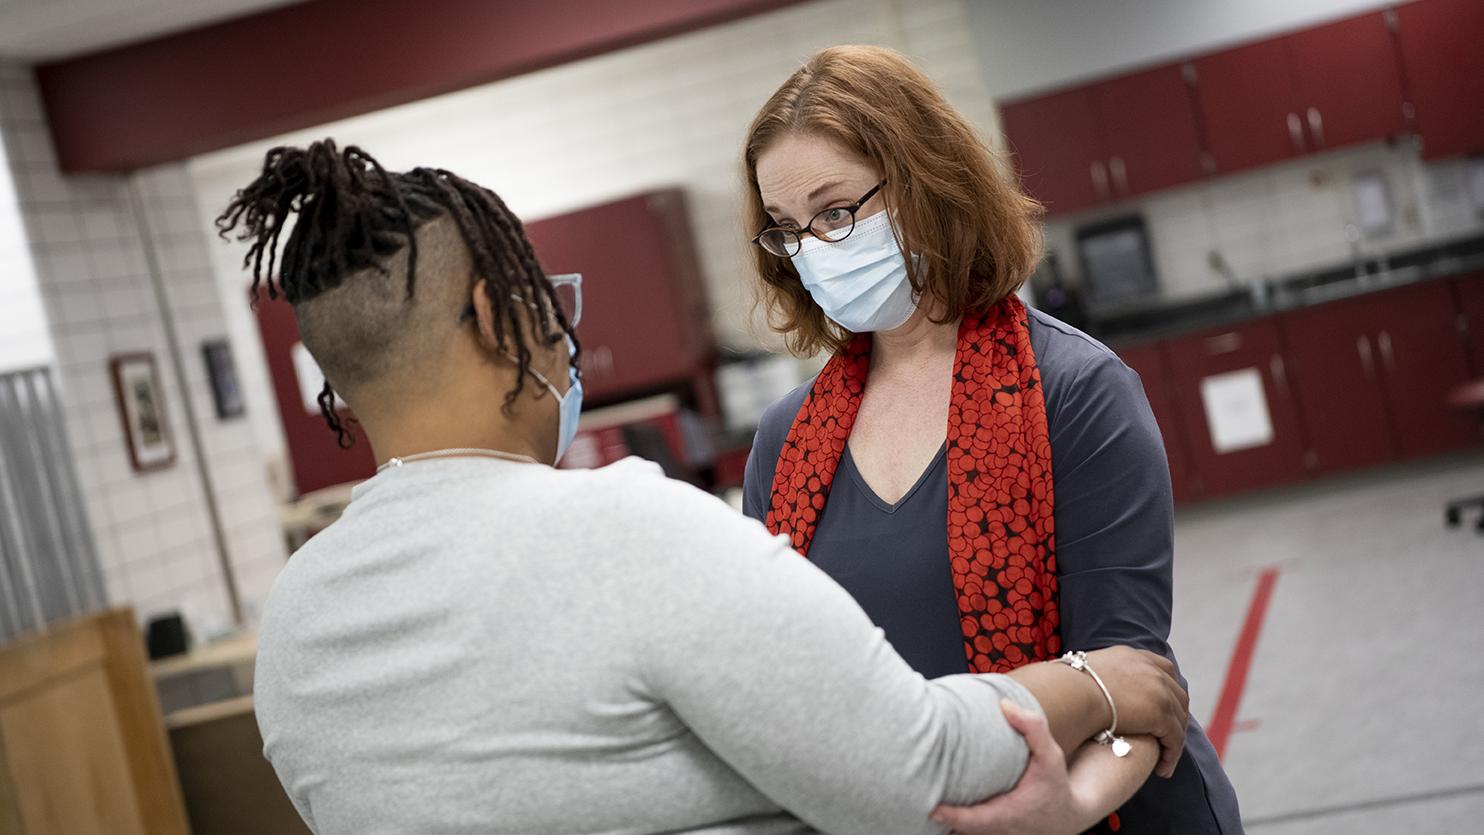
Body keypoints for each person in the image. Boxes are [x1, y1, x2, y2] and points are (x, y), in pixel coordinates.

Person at [222, 140, 1189, 835]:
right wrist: (1100, 681)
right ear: (492, 315)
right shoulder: (628, 527)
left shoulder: (300, 618)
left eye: (839, 210)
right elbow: (918, 767)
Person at [739, 45, 1243, 834]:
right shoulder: (786, 441)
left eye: (837, 212)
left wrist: (1062, 807)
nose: (813, 250)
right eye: (787, 231)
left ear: (924, 184)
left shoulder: (1075, 390)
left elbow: (1135, 681)